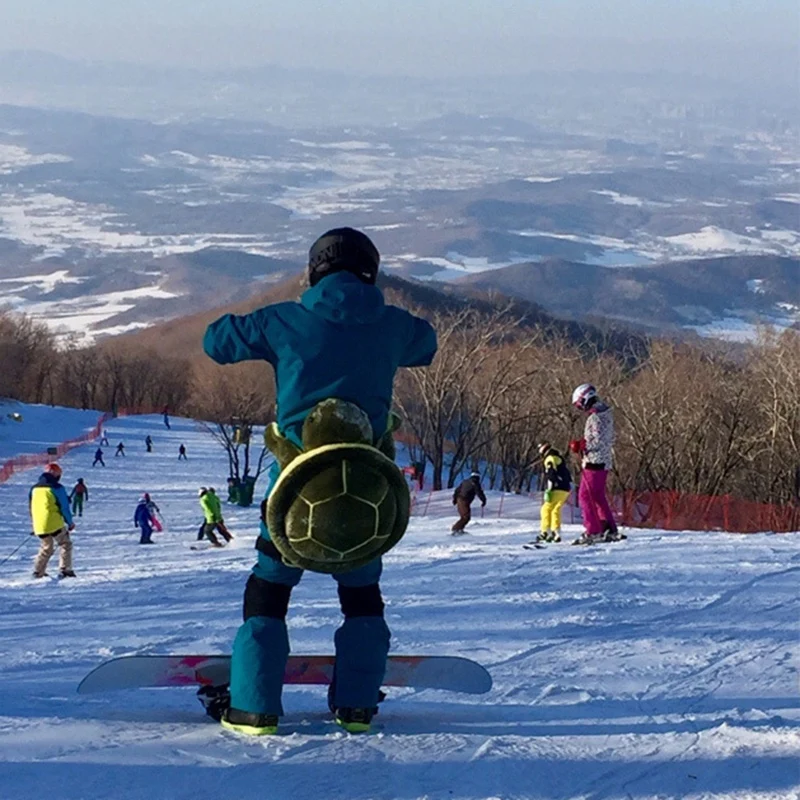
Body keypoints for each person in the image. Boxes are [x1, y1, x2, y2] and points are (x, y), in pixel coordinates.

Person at [202, 226, 436, 735]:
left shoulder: (286, 320)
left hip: (293, 498)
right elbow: (427, 342)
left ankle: (253, 708)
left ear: (314, 272)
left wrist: (267, 313)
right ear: (370, 272)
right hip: (367, 502)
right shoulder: (393, 326)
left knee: (268, 592)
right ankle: (356, 706)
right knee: (362, 597)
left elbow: (215, 341)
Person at [570, 383, 620, 545]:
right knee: (598, 495)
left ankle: (593, 530)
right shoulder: (605, 413)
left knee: (585, 496)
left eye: (579, 404)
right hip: (603, 460)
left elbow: (597, 440)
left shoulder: (596, 417)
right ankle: (608, 527)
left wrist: (581, 445)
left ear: (586, 399)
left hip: (595, 461)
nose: (579, 408)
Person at [29, 463, 76, 578]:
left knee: (47, 547)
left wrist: (35, 525)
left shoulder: (34, 489)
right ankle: (65, 569)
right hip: (54, 523)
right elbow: (64, 507)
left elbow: (31, 507)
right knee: (65, 543)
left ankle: (38, 570)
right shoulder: (57, 488)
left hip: (39, 524)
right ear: (57, 475)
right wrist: (70, 523)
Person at [535, 443, 571, 543]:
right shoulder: (558, 458)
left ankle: (545, 532)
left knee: (545, 509)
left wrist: (549, 488)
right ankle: (556, 532)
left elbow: (551, 473)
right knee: (555, 509)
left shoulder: (549, 459)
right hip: (565, 488)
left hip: (556, 487)